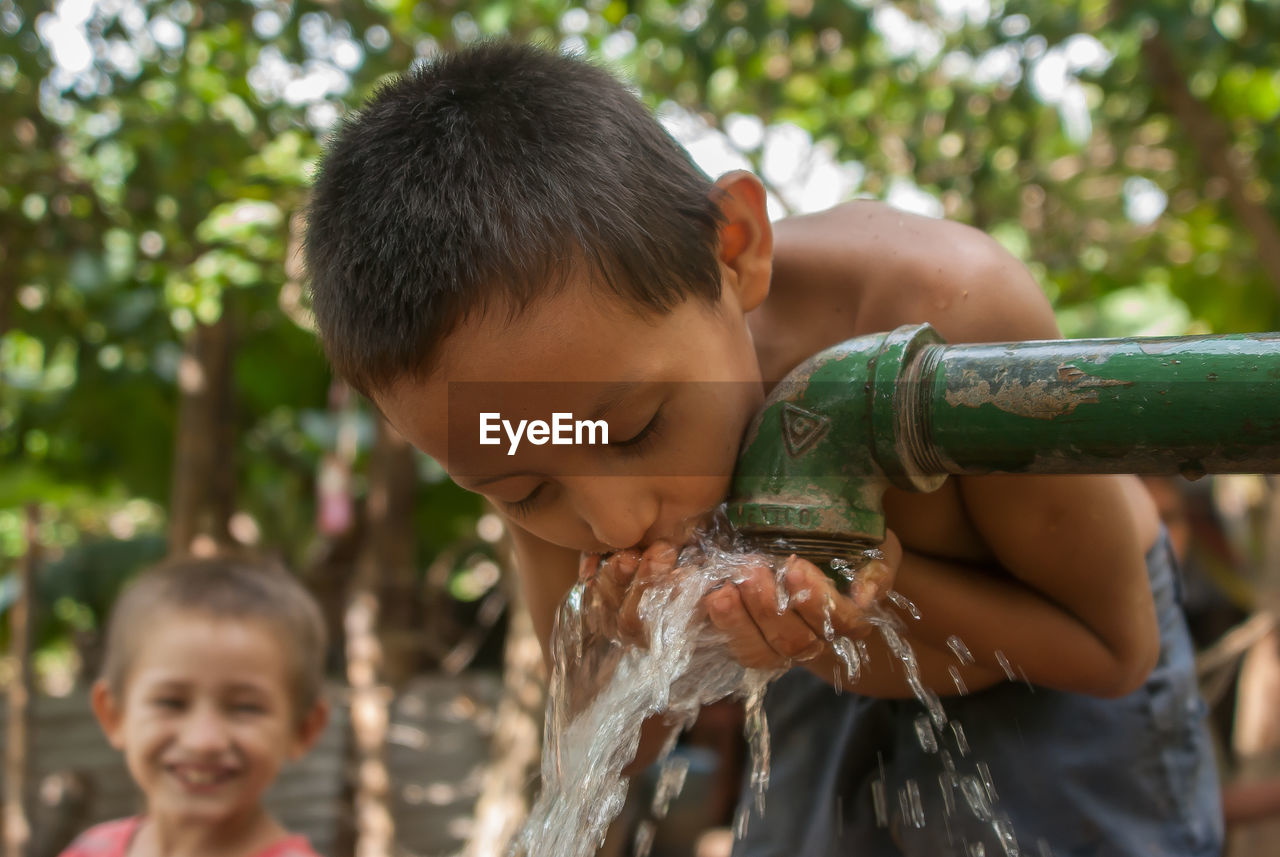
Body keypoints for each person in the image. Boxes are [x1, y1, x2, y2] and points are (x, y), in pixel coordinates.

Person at [302, 41, 1222, 856]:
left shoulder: (945, 312)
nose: (613, 518)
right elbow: (612, 737)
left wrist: (853, 581)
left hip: (1063, 685)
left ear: (734, 249)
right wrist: (643, 644)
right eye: (521, 489)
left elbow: (1112, 650)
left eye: (637, 432)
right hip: (819, 684)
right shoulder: (541, 425)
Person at [60, 555, 330, 857]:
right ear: (114, 715)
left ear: (304, 729)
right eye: (171, 703)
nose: (204, 741)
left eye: (246, 708)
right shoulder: (89, 850)